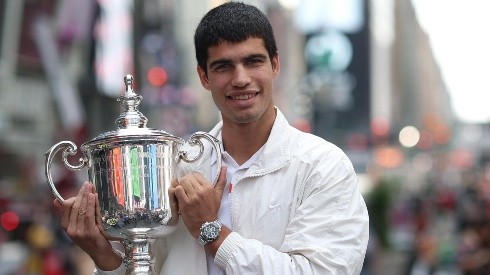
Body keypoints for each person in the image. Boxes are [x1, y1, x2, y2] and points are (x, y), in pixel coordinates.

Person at [53, 2, 369, 274]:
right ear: (204, 77)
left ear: (275, 65)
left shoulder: (322, 166)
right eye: (223, 66)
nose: (241, 79)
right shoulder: (176, 166)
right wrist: (103, 255)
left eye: (253, 61)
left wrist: (212, 233)